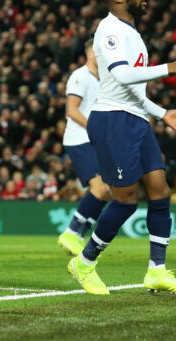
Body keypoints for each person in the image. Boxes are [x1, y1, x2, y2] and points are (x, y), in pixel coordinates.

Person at [68, 0, 176, 295]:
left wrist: (163, 114)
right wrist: (171, 68)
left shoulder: (132, 32)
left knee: (160, 189)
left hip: (135, 119)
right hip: (112, 121)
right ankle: (85, 262)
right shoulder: (110, 29)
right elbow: (120, 75)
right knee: (126, 199)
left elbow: (134, 90)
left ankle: (156, 271)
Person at [57, 39, 112, 255]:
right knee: (99, 188)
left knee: (107, 191)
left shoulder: (104, 79)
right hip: (79, 138)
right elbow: (72, 110)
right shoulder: (80, 76)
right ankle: (71, 232)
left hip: (95, 140)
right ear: (90, 53)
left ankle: (79, 235)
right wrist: (95, 129)